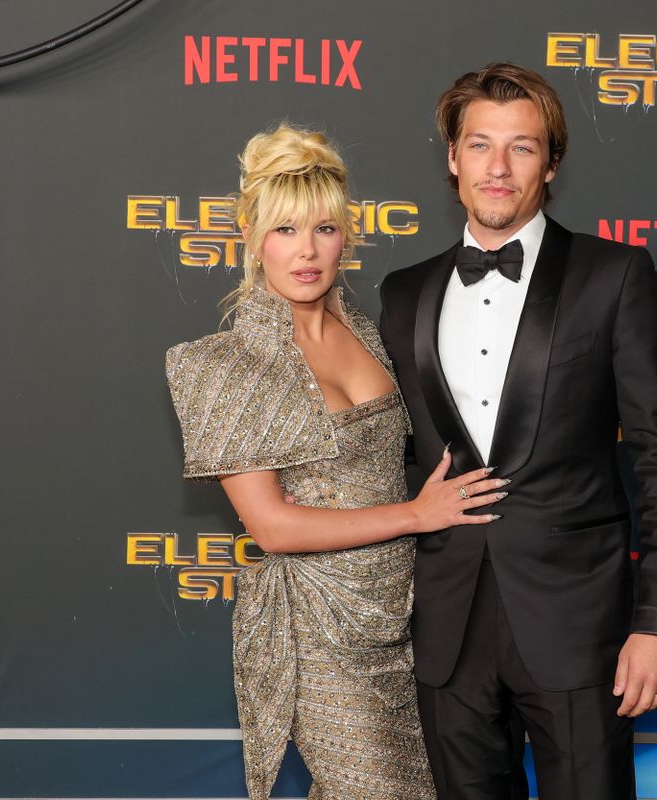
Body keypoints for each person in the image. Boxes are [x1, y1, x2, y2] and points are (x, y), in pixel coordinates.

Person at [378, 63, 657, 799]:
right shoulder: (403, 293)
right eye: (479, 145)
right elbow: (390, 456)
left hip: (579, 623)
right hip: (447, 625)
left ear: (551, 163)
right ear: (453, 158)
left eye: (521, 148)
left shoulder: (614, 275)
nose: (497, 168)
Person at [165, 124, 507, 800]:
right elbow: (273, 528)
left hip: (408, 615)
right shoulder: (223, 367)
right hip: (318, 630)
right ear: (250, 237)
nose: (306, 251)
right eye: (285, 231)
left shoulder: (374, 332)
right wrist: (417, 513)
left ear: (346, 236)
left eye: (323, 229)